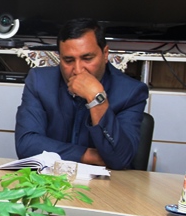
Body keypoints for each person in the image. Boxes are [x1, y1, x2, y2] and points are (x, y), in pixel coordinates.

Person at [14, 18, 148, 170]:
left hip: (107, 183)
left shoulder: (130, 92)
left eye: (87, 58)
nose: (78, 70)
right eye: (68, 60)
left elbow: (120, 159)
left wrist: (97, 99)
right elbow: (26, 145)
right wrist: (87, 155)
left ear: (105, 54)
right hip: (50, 179)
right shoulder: (40, 82)